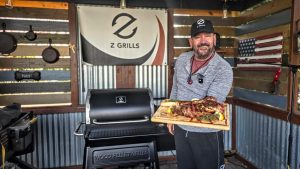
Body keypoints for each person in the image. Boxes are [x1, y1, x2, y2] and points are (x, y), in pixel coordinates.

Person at [167, 18, 233, 169]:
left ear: (214, 39)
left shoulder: (223, 69)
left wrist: (178, 113)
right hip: (181, 129)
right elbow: (175, 88)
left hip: (207, 132)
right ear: (191, 42)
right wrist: (171, 117)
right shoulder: (182, 59)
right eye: (197, 37)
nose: (203, 41)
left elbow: (209, 105)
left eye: (207, 36)